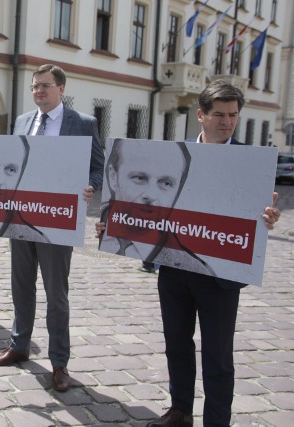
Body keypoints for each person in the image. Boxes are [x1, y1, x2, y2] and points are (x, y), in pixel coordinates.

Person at [97, 80, 281, 427]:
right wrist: (112, 224)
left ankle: (216, 421)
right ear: (201, 116)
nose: (226, 122)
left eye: (233, 115)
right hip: (175, 270)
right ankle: (180, 410)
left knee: (218, 357)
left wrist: (267, 218)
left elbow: (259, 213)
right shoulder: (171, 159)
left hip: (221, 277)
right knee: (177, 344)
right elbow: (142, 207)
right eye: (219, 114)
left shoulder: (250, 164)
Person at [0, 64, 105, 393]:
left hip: (58, 218)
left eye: (45, 86)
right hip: (22, 216)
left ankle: (59, 362)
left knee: (57, 294)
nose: (39, 91)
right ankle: (20, 344)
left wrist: (90, 187)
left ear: (61, 89)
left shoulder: (83, 123)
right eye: (35, 86)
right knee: (21, 286)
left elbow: (97, 166)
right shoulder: (23, 121)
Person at [98, 139, 215, 276]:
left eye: (166, 183)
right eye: (139, 178)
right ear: (113, 177)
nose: (151, 195)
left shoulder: (191, 265)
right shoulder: (104, 226)